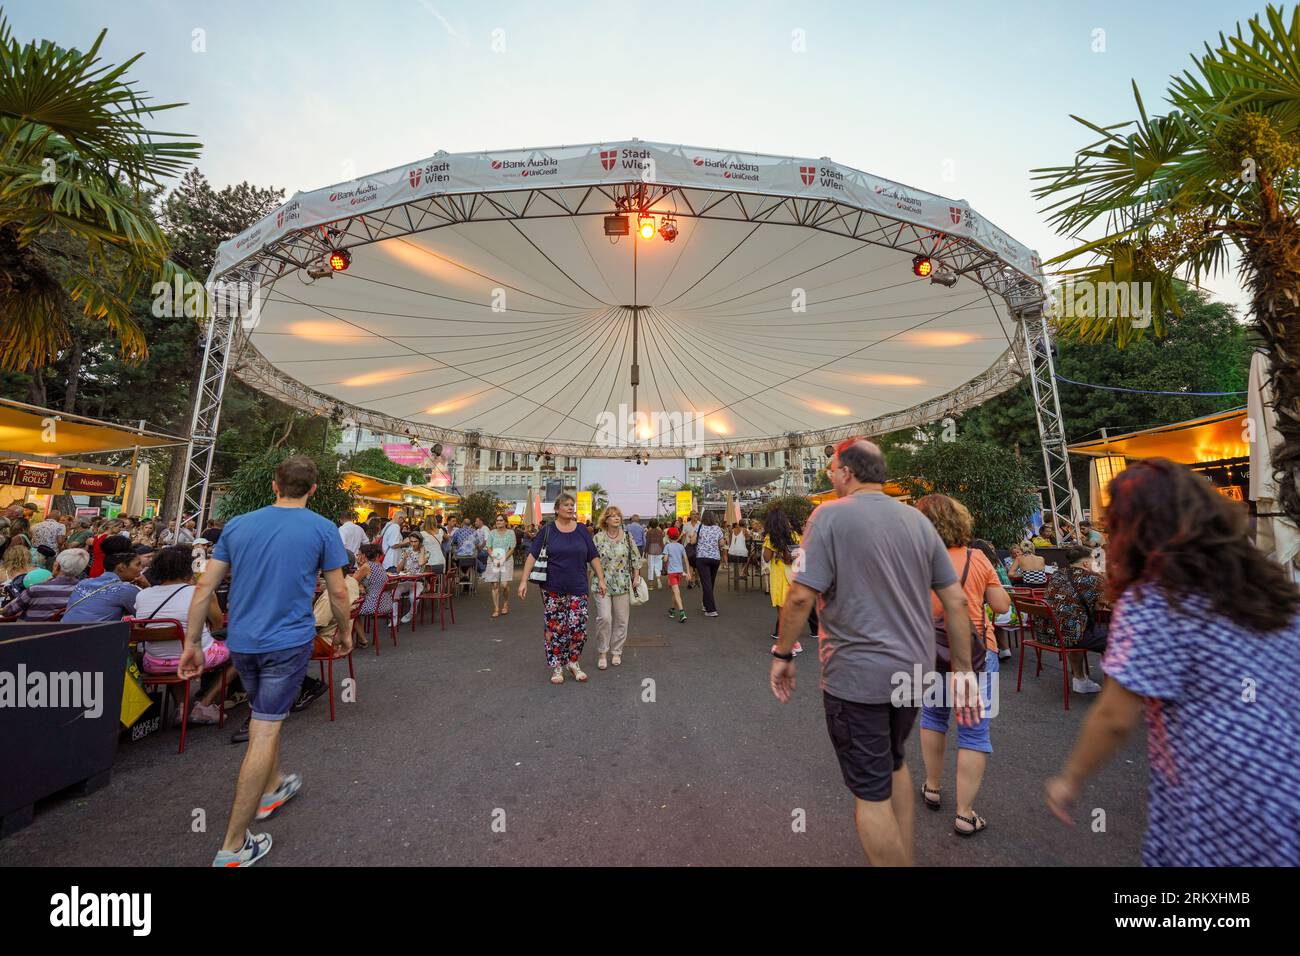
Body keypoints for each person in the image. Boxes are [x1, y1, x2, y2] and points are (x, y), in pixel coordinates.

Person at [1045, 458, 1300, 866]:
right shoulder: (1265, 583)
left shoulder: (1157, 598)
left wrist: (1069, 779)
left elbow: (1114, 716)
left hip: (1220, 793)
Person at [770, 438, 980, 867]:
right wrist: (961, 671)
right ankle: (905, 855)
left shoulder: (828, 515)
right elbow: (957, 601)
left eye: (832, 469)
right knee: (895, 762)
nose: (830, 475)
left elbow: (798, 597)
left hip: (857, 676)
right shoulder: (916, 520)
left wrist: (783, 654)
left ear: (847, 471)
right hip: (914, 673)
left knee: (869, 793)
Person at [182, 455, 351, 867]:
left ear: (274, 485)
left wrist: (192, 641)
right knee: (264, 730)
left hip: (243, 641)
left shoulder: (238, 524)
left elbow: (205, 585)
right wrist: (345, 633)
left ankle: (274, 786)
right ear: (312, 489)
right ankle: (234, 844)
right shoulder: (322, 528)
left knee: (265, 717)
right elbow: (340, 592)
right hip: (287, 641)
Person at [913, 495, 1009, 838]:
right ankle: (965, 814)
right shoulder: (977, 557)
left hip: (929, 653)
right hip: (979, 654)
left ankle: (933, 787)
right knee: (974, 732)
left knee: (933, 716)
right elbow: (1001, 605)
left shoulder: (914, 562)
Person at [134, 545, 230, 725]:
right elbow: (217, 624)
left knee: (174, 652)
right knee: (243, 650)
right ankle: (205, 705)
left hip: (153, 664)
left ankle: (182, 707)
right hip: (195, 658)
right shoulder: (200, 592)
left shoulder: (142, 595)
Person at [518, 493, 606, 685]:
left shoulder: (582, 530)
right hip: (552, 587)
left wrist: (601, 578)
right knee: (555, 628)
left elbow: (593, 556)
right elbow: (532, 556)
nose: (570, 508)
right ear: (557, 509)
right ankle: (557, 665)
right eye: (566, 505)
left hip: (578, 586)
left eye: (572, 505)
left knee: (578, 627)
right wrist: (524, 580)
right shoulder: (548, 530)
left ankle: (573, 662)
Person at [1035, 545, 1108, 694]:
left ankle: (1080, 680)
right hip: (1069, 635)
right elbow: (1115, 604)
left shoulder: (1057, 574)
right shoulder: (1094, 579)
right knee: (1119, 639)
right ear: (1086, 564)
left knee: (1077, 626)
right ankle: (1118, 689)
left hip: (1046, 633)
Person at [591, 505, 643, 669]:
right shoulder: (598, 538)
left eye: (618, 515)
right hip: (602, 583)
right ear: (605, 520)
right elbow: (591, 559)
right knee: (604, 618)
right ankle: (602, 652)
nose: (616, 518)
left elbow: (636, 557)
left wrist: (636, 575)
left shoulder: (627, 537)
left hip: (622, 583)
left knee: (621, 620)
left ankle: (616, 652)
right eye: (612, 516)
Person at [763, 508, 808, 655]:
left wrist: (775, 552)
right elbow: (801, 554)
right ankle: (795, 643)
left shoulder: (771, 537)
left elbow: (766, 557)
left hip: (780, 576)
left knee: (782, 612)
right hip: (794, 575)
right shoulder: (795, 535)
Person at [0, 547, 88, 621]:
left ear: (56, 566)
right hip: (63, 633)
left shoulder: (36, 589)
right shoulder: (85, 591)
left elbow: (7, 612)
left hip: (29, 632)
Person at [62, 550, 142, 623]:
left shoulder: (83, 583)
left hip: (63, 633)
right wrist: (147, 587)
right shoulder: (125, 589)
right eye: (137, 565)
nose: (141, 569)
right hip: (94, 636)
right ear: (122, 567)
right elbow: (147, 614)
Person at [483, 513, 516, 617]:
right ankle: (496, 608)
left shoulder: (511, 533)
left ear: (505, 522)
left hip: (507, 559)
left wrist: (503, 558)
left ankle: (505, 603)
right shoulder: (492, 533)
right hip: (494, 559)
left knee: (505, 585)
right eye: (497, 520)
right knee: (495, 585)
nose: (498, 522)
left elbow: (512, 548)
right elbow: (488, 546)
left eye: (501, 520)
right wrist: (493, 558)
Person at [694, 510, 724, 617]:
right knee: (710, 583)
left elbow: (693, 541)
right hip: (715, 558)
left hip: (702, 558)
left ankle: (711, 610)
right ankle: (705, 604)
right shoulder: (718, 529)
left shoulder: (699, 527)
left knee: (706, 584)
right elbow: (721, 543)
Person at [662, 527, 688, 622]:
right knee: (674, 592)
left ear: (668, 536)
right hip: (679, 572)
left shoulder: (667, 546)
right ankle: (672, 610)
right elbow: (685, 559)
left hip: (672, 572)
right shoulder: (681, 546)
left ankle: (682, 613)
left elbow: (665, 559)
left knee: (676, 593)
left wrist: (664, 558)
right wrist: (688, 572)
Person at [645, 519, 665, 589]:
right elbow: (661, 542)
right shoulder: (660, 532)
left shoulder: (649, 532)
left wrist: (645, 551)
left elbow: (647, 543)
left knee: (650, 567)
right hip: (659, 549)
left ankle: (651, 585)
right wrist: (664, 551)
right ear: (657, 524)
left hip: (651, 550)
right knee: (658, 566)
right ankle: (659, 580)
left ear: (650, 524)